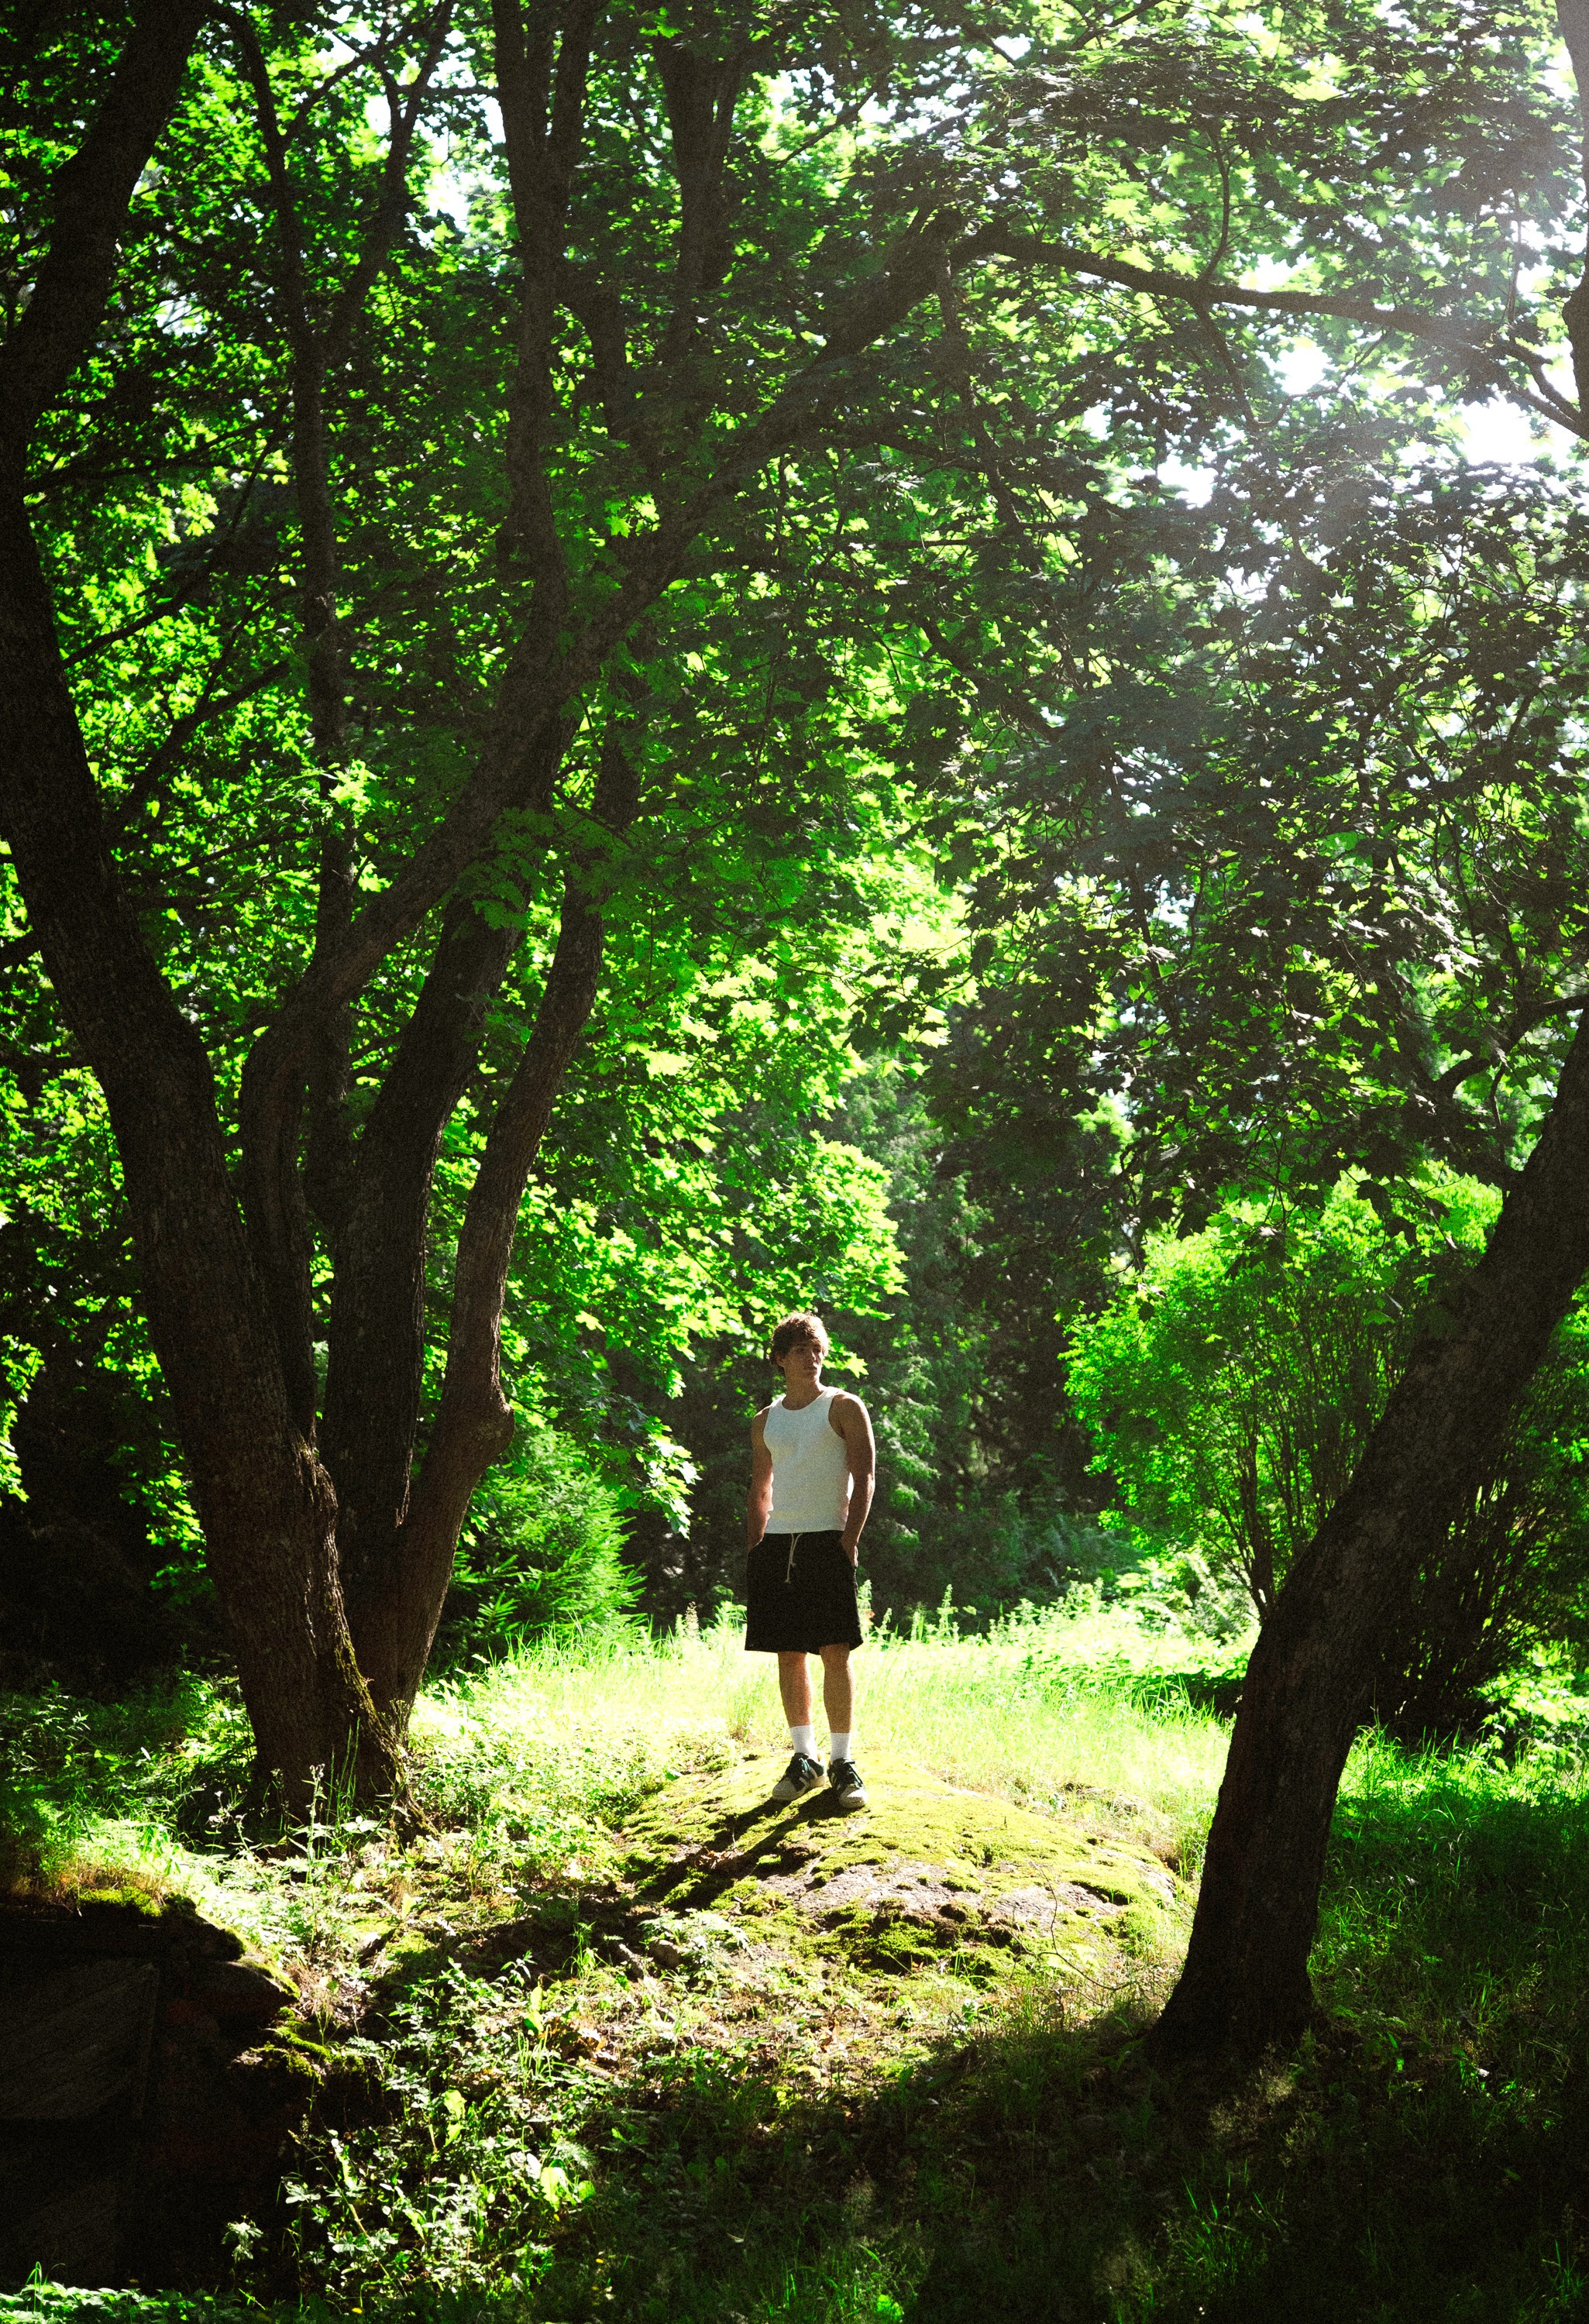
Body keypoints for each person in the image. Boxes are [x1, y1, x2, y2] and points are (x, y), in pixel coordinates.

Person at [745, 1310, 875, 1811]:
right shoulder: (765, 1421)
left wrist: (849, 1540)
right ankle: (806, 1759)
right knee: (788, 1653)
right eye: (800, 1349)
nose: (812, 1355)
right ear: (779, 1358)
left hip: (827, 1539)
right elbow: (759, 1487)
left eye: (817, 1347)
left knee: (834, 1651)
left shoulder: (843, 1406)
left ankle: (843, 1762)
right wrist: (756, 1547)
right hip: (777, 1545)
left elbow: (864, 1478)